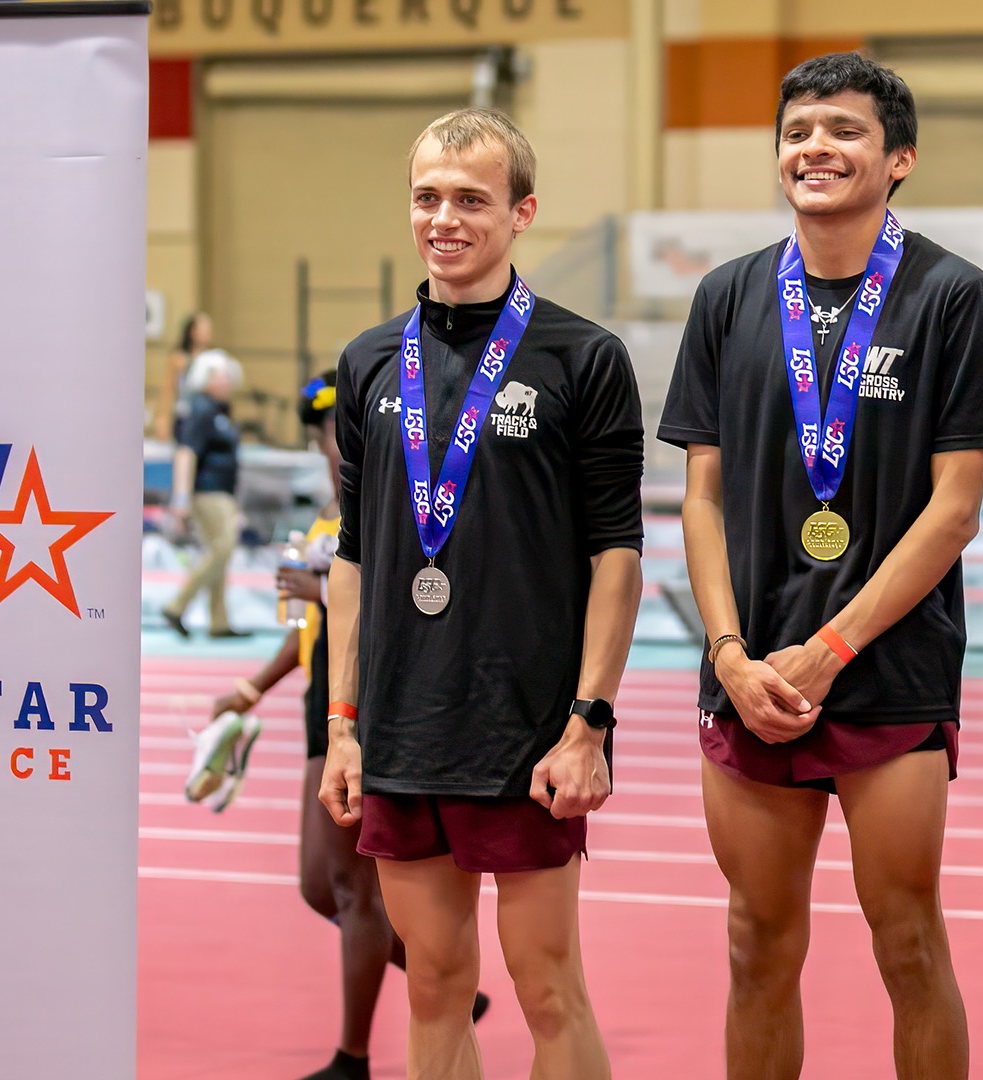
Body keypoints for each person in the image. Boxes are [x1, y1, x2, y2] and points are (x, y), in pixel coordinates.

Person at [658, 52, 983, 1080]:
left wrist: (829, 650)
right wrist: (729, 655)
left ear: (899, 157)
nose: (815, 147)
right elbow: (700, 498)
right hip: (750, 669)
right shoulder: (728, 296)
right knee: (755, 945)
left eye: (845, 130)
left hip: (886, 667)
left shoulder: (951, 295)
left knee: (907, 941)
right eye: (798, 131)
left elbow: (955, 511)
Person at [320, 107, 643, 1080]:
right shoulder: (369, 361)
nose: (444, 219)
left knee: (548, 989)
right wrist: (342, 724)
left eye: (470, 199)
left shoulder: (582, 358)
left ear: (521, 212)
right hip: (401, 725)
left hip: (528, 726)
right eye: (427, 198)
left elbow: (617, 557)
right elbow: (354, 559)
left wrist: (589, 724)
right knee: (433, 983)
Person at [188, 373, 492, 1079]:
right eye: (321, 434)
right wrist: (251, 689)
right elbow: (311, 630)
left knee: (355, 890)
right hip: (319, 702)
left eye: (338, 431)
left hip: (366, 706)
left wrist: (323, 588)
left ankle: (352, 1058)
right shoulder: (330, 517)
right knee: (318, 886)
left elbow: (416, 596)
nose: (330, 446)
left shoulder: (407, 501)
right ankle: (445, 976)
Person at [163, 348, 250, 639]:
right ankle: (176, 605)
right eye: (221, 375)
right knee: (221, 550)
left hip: (221, 492)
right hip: (208, 492)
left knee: (219, 554)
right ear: (207, 378)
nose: (228, 381)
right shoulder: (201, 409)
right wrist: (181, 499)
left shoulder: (217, 410)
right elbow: (186, 453)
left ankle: (219, 621)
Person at [161, 310, 215, 440]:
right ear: (193, 331)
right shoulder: (179, 359)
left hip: (207, 417)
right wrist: (163, 420)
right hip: (186, 417)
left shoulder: (213, 359)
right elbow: (168, 391)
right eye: (203, 329)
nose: (207, 333)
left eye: (209, 329)